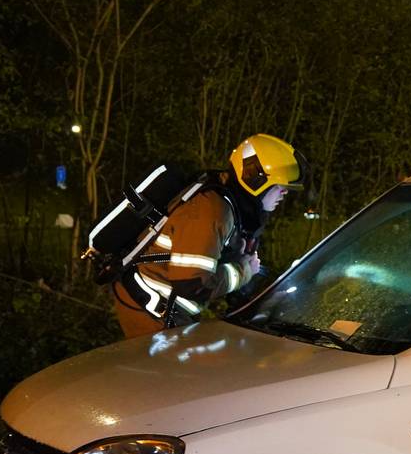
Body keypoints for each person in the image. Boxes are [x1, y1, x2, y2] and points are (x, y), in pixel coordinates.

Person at [112, 134, 305, 338]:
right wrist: (244, 271)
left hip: (162, 311)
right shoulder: (213, 211)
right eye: (281, 187)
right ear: (257, 181)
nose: (284, 194)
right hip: (150, 313)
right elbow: (192, 285)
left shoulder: (228, 205)